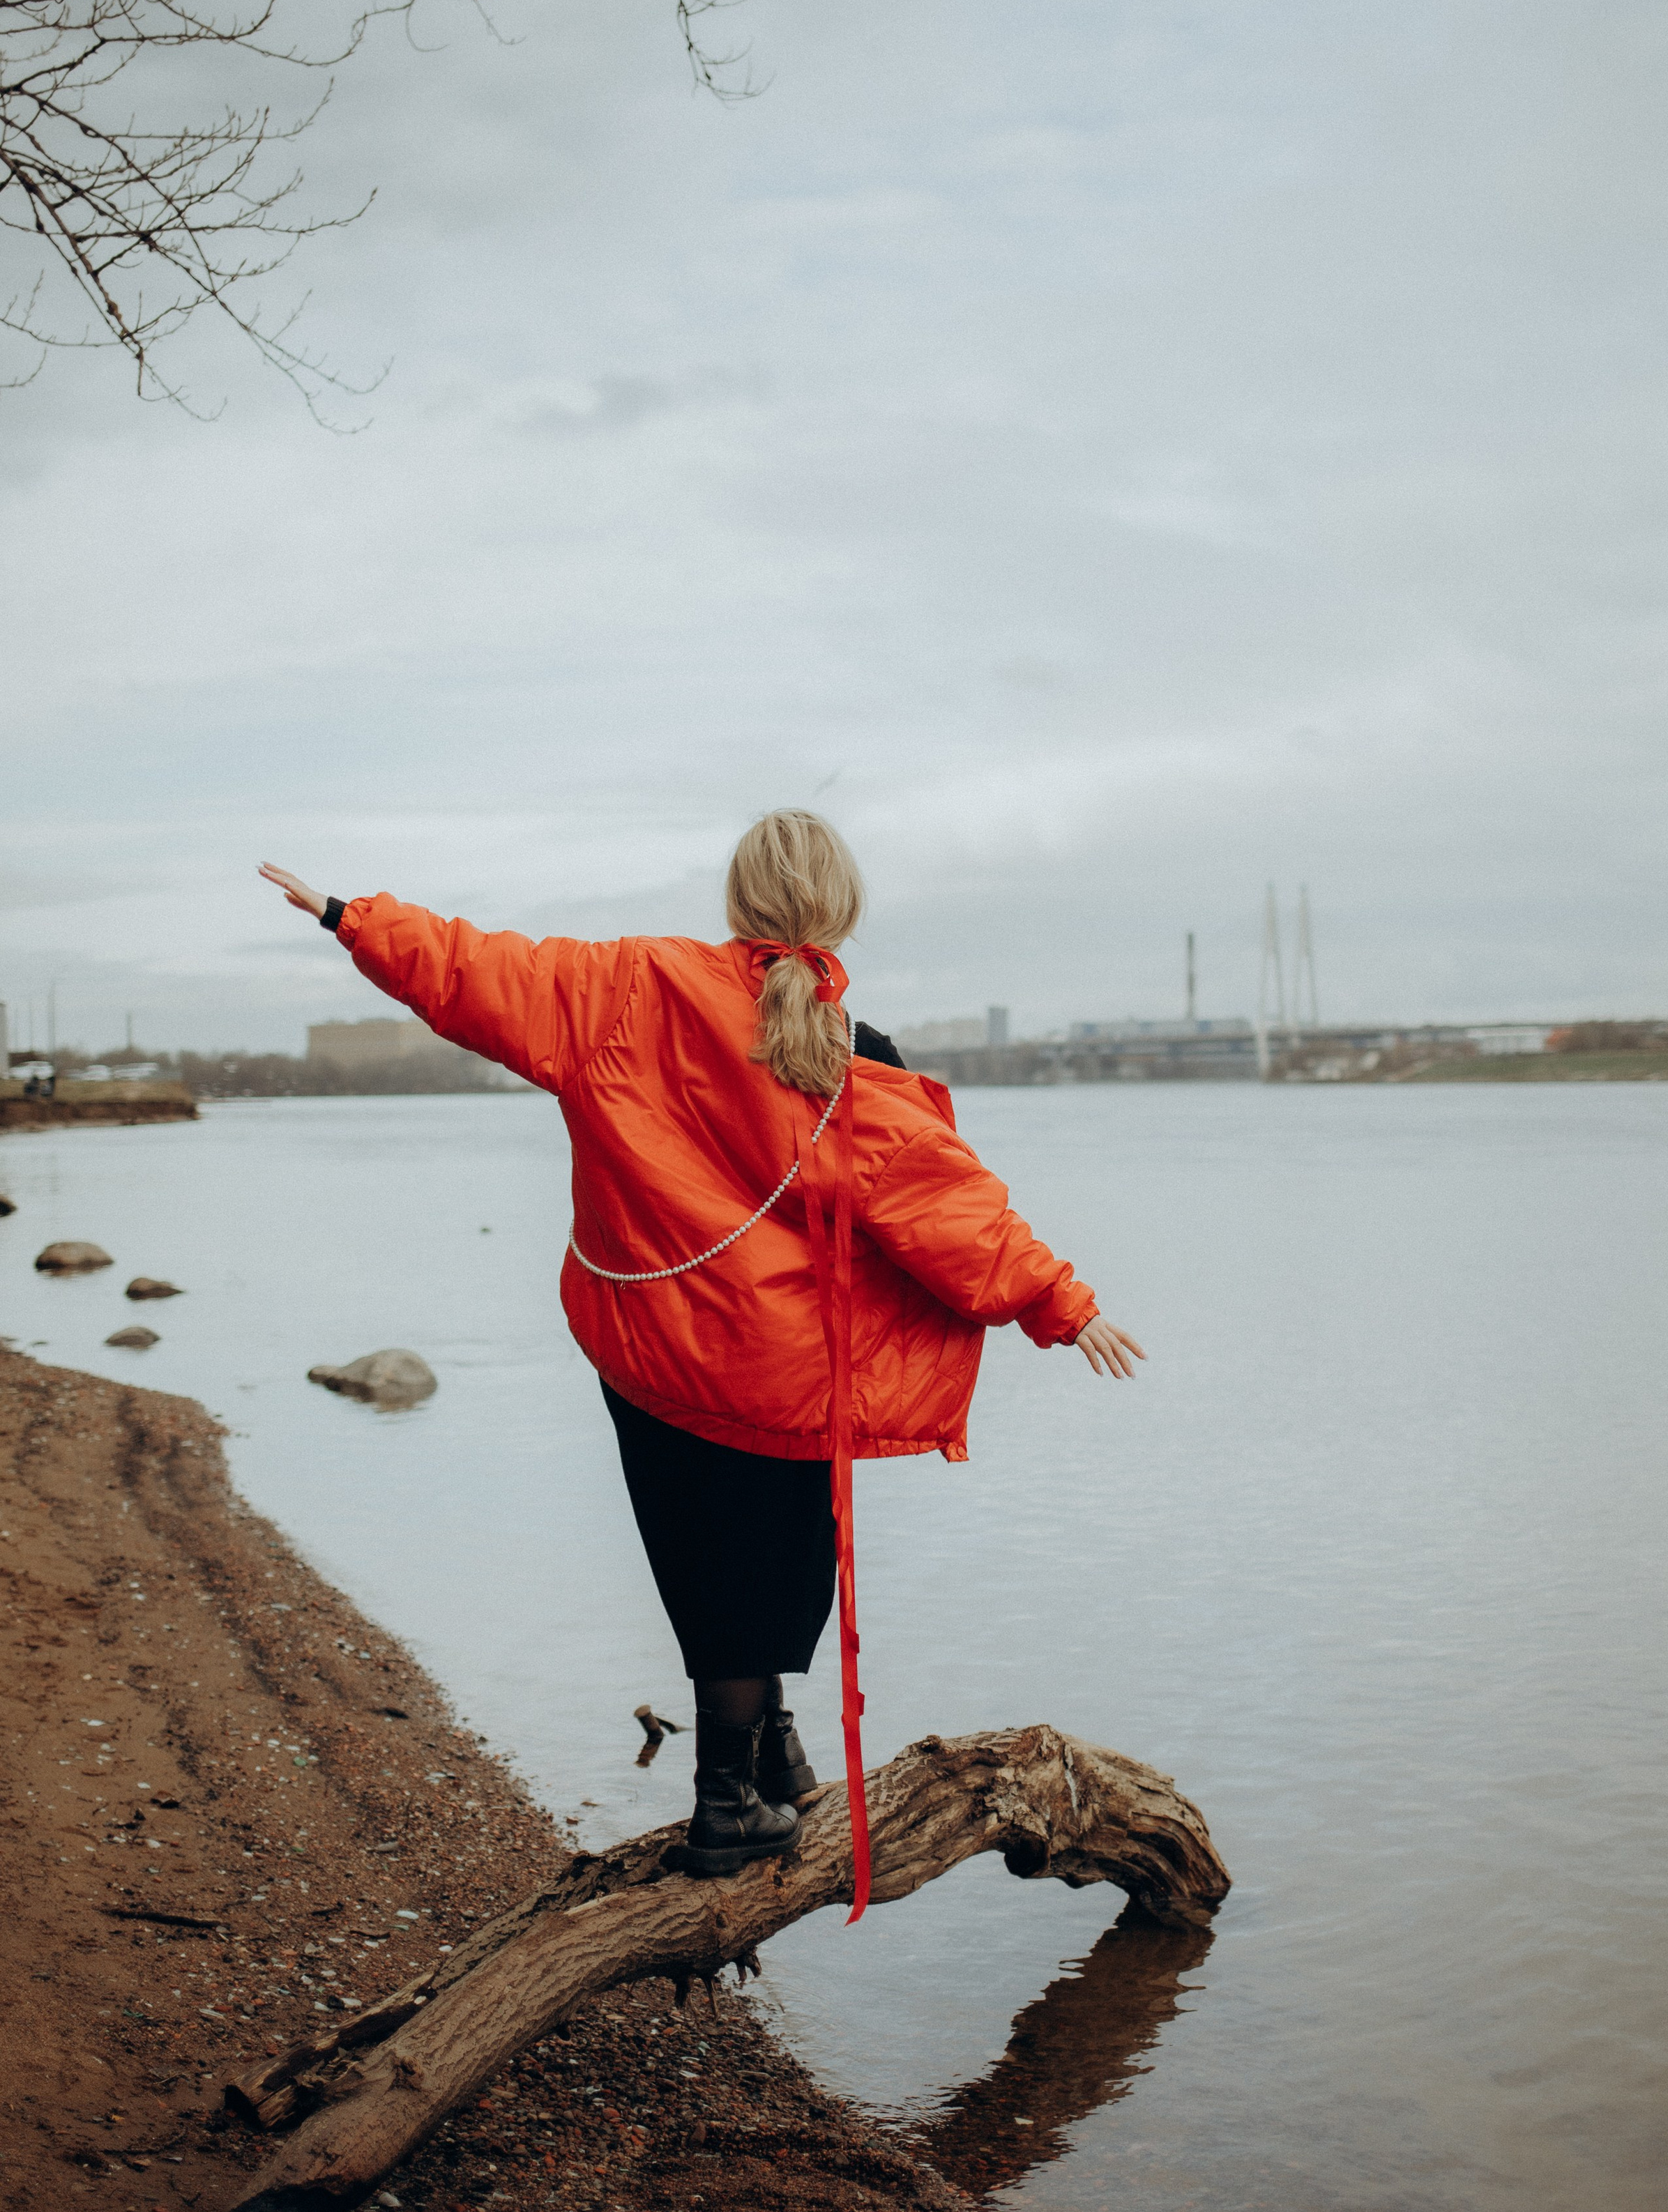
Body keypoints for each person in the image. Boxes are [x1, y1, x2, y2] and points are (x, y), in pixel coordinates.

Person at [260, 811, 1142, 1913]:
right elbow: (947, 1214)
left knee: (700, 1559)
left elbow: (484, 972)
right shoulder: (853, 1055)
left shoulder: (634, 986)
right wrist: (1062, 1304)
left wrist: (356, 917)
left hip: (652, 1350)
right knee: (764, 1577)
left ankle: (764, 1765)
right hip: (773, 1378)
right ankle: (727, 1804)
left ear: (739, 903)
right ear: (839, 914)